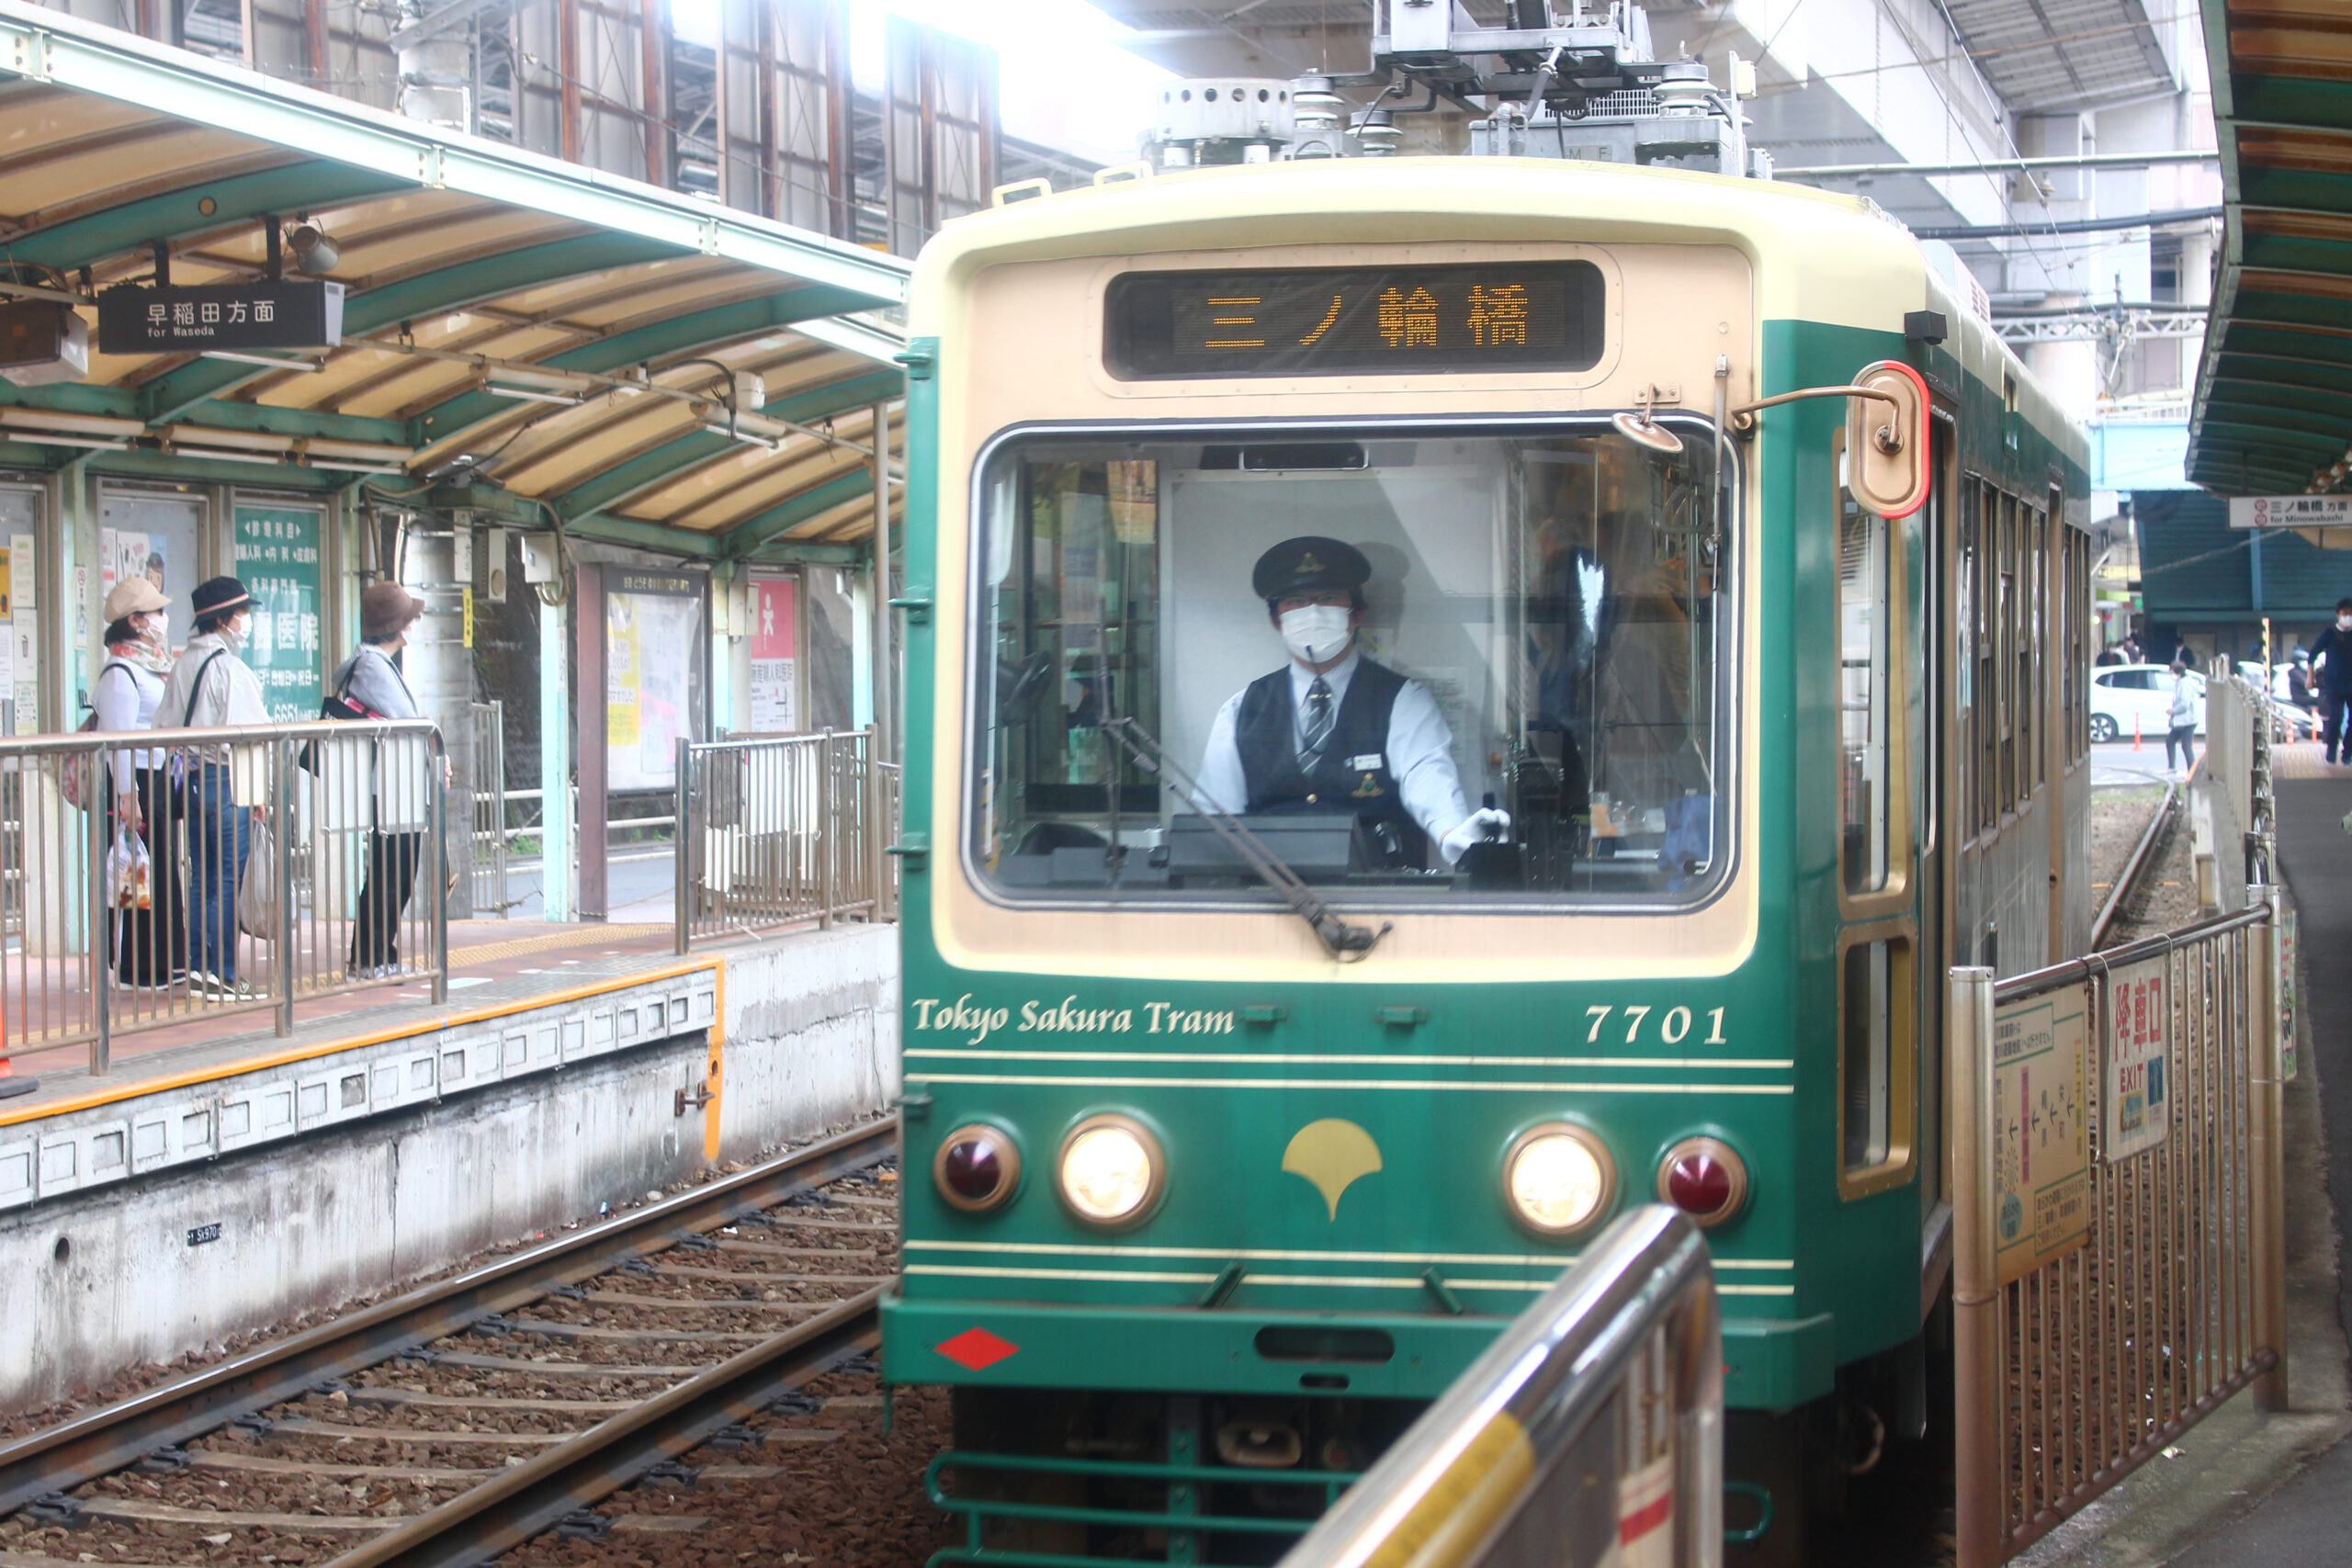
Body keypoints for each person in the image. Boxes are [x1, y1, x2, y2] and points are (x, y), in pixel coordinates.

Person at [1195, 536, 1508, 868]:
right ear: (1276, 620)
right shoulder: (1241, 710)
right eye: (1296, 601)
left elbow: (1427, 776)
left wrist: (1454, 834)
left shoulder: (1403, 701)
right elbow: (1214, 821)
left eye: (1328, 599)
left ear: (1356, 614)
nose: (1312, 612)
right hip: (1269, 898)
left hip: (1374, 896)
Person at [156, 577, 271, 998]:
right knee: (225, 878)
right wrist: (259, 794)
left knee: (201, 877)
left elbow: (163, 725)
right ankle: (223, 972)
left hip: (192, 779)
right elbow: (251, 735)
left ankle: (200, 968)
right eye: (242, 614)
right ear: (223, 620)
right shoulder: (230, 669)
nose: (246, 621)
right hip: (228, 780)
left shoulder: (183, 663)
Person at [93, 579, 186, 988]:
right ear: (135, 621)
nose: (163, 620)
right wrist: (129, 795)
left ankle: (163, 963)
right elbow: (118, 739)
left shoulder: (145, 666)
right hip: (137, 782)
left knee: (157, 871)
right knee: (139, 875)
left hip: (156, 775)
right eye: (156, 614)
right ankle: (136, 967)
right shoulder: (119, 673)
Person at [334, 584, 429, 978]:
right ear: (398, 626)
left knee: (396, 871)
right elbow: (407, 718)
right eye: (411, 618)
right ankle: (370, 957)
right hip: (389, 783)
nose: (416, 623)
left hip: (395, 781)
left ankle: (377, 955)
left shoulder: (373, 660)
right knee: (392, 872)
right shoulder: (371, 664)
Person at [2306, 599, 2352, 764]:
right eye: (2345, 614)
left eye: (2351, 614)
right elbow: (2312, 655)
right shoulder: (2330, 634)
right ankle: (2332, 747)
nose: (2348, 617)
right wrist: (2310, 677)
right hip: (2333, 685)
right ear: (2338, 615)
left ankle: (2348, 752)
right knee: (2336, 717)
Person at [2165, 658, 2199, 777]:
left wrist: (2173, 711)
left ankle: (2192, 771)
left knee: (2186, 746)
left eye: (2172, 673)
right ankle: (2172, 768)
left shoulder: (2185, 684)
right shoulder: (2181, 683)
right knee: (2170, 741)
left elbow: (2184, 703)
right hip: (2181, 721)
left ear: (2178, 673)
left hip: (2187, 721)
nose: (2171, 675)